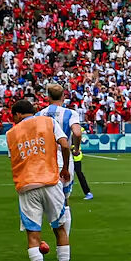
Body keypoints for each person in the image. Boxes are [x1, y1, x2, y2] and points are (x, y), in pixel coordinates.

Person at [5, 100, 74, 261]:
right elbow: (65, 144)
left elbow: (13, 158)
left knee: (33, 236)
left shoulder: (11, 134)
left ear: (18, 115)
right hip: (50, 181)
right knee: (60, 228)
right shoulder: (48, 122)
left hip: (27, 186)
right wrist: (66, 168)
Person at [35, 84, 83, 234]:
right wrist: (75, 148)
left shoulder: (39, 114)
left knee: (43, 198)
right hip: (64, 158)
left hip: (44, 159)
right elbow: (77, 133)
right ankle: (64, 240)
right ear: (63, 96)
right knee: (65, 200)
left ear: (48, 97)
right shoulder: (70, 113)